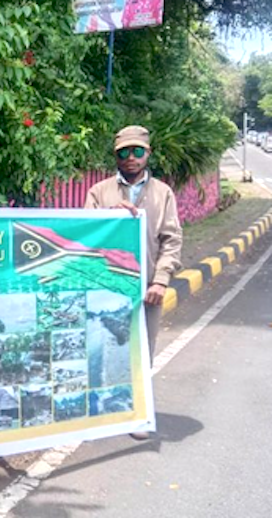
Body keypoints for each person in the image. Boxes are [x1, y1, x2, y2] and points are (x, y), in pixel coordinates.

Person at [84, 125, 182, 438]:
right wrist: (108, 216)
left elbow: (171, 239)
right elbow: (84, 233)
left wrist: (161, 281)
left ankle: (137, 415)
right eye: (123, 152)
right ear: (116, 155)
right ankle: (101, 411)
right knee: (103, 346)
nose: (130, 158)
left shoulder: (162, 193)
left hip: (146, 288)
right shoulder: (99, 193)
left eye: (136, 151)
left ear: (147, 154)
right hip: (107, 286)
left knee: (141, 350)